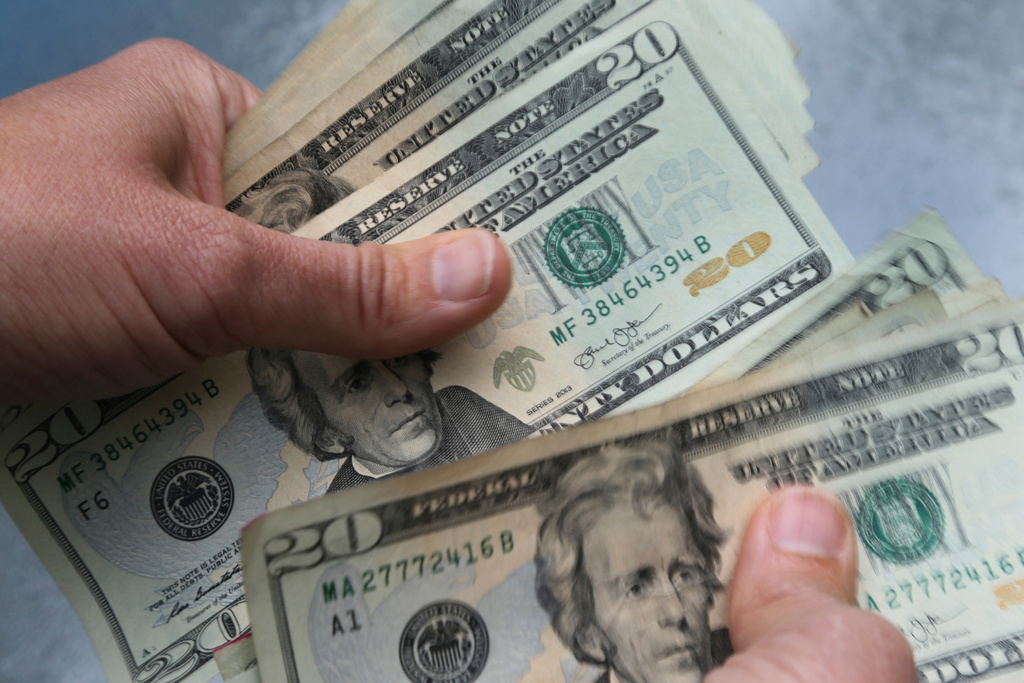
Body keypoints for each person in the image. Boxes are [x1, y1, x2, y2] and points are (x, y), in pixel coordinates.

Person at [0, 39, 916, 682]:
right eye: (358, 377)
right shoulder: (323, 557)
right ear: (316, 426)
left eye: (400, 357)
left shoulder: (493, 421)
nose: (400, 380)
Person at [535, 440, 729, 682]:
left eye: (684, 576)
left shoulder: (759, 652)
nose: (675, 611)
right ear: (589, 635)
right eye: (636, 589)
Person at [246, 348, 533, 491]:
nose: (399, 390)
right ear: (326, 436)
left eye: (397, 358)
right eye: (357, 384)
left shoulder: (461, 407)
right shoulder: (341, 516)